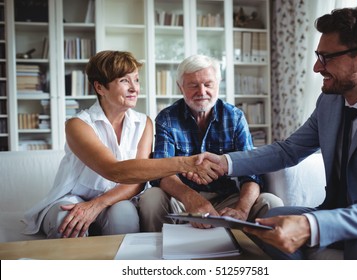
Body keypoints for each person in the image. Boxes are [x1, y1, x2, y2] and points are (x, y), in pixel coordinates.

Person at [192, 6, 357, 260]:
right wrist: (225, 163)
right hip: (334, 211)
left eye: (327, 57)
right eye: (318, 56)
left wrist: (311, 226)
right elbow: (288, 150)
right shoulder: (329, 102)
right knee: (266, 221)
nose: (317, 67)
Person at [22, 50, 223, 239]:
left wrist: (98, 205)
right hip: (73, 197)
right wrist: (187, 163)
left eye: (136, 79)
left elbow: (137, 181)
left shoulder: (144, 123)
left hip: (116, 198)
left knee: (125, 216)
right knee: (65, 221)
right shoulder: (78, 125)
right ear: (100, 87)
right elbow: (115, 171)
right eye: (124, 81)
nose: (135, 88)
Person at [139, 54, 283, 232]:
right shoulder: (167, 118)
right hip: (182, 198)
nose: (201, 92)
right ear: (180, 87)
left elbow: (251, 173)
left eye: (208, 84)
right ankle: (156, 256)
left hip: (228, 198)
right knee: (151, 198)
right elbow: (162, 172)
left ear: (218, 83)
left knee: (271, 202)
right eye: (193, 85)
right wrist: (192, 199)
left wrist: (241, 209)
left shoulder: (235, 117)